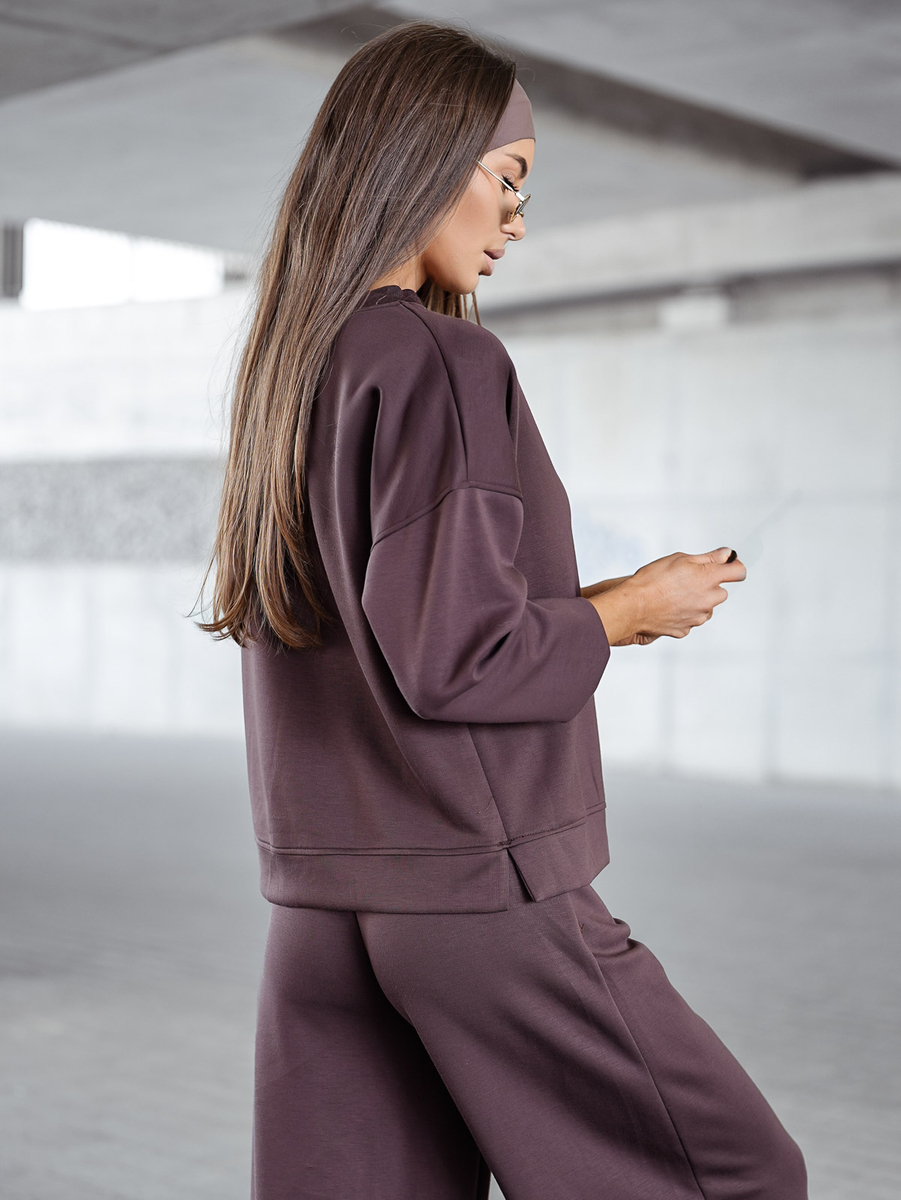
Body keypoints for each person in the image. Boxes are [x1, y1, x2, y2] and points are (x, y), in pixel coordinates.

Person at [197, 18, 809, 1200]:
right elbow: (456, 657)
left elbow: (393, 627)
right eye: (508, 178)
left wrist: (594, 602)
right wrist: (630, 611)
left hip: (324, 910)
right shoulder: (441, 361)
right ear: (424, 159)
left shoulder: (298, 367)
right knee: (737, 1174)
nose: (517, 220)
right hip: (474, 892)